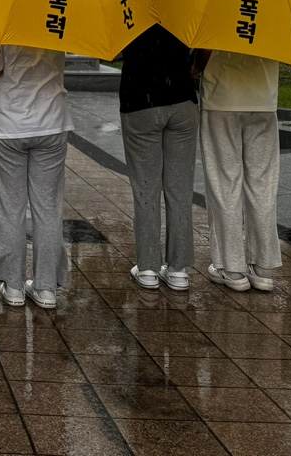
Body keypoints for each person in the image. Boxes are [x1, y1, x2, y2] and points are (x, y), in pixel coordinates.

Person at [0, 28, 69, 309]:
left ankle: (13, 285)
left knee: (9, 207)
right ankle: (46, 287)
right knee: (48, 208)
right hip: (52, 118)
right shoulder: (58, 5)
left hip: (7, 122)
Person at [117, 24, 199, 291]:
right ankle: (178, 270)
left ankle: (149, 268)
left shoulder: (127, 4)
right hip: (182, 99)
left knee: (146, 189)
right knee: (180, 189)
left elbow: (114, 49)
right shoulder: (183, 0)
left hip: (140, 99)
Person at [194, 48, 282, 292]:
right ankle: (264, 267)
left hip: (221, 96)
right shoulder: (276, 9)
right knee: (263, 185)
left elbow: (205, 47)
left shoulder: (215, 9)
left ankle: (232, 268)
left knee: (225, 183)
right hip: (263, 98)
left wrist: (195, 68)